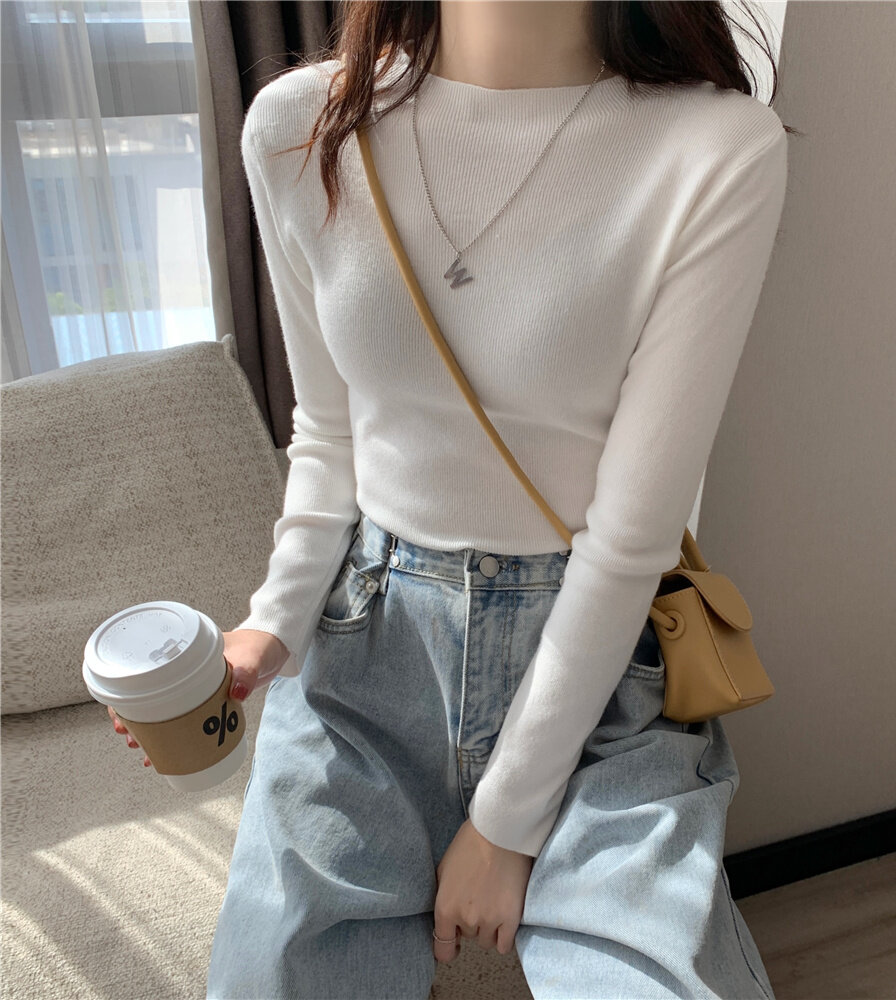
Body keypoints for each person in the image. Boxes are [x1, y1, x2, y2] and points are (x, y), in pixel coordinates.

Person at [110, 2, 789, 996]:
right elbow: (331, 433)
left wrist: (505, 824)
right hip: (364, 657)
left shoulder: (717, 147)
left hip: (599, 673)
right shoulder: (301, 124)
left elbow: (631, 533)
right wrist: (271, 625)